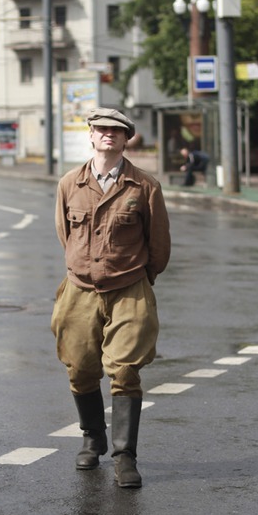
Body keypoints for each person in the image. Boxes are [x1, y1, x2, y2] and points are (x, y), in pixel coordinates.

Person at [51, 107, 171, 488]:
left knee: (124, 370)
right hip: (80, 290)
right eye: (101, 129)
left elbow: (160, 244)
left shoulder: (144, 186)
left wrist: (140, 276)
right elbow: (63, 234)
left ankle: (124, 457)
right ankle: (92, 439)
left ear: (126, 139)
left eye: (116, 131)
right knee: (80, 368)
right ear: (90, 135)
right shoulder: (70, 183)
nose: (108, 135)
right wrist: (83, 268)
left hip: (129, 288)